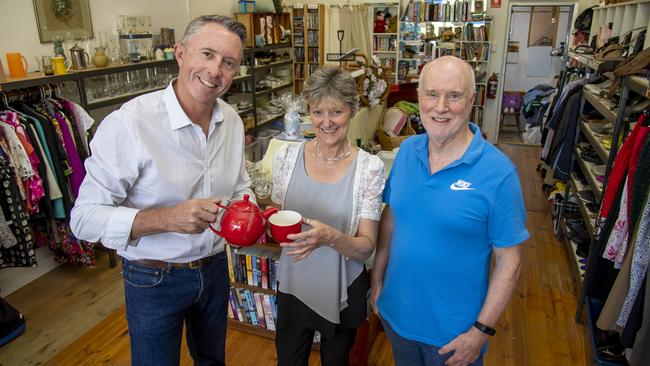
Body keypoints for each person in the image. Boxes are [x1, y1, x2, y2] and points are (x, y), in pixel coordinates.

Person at [70, 15, 252, 366]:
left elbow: (241, 186)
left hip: (214, 269)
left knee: (212, 360)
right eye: (207, 54)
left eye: (228, 62)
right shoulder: (130, 124)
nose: (215, 71)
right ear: (180, 54)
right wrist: (167, 218)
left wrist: (249, 213)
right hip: (154, 277)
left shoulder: (231, 120)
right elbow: (84, 219)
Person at [371, 56, 529, 366]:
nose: (440, 107)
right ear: (418, 98)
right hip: (396, 318)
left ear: (471, 101)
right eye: (432, 94)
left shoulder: (499, 173)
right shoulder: (406, 152)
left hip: (455, 337)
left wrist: (480, 331)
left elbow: (510, 263)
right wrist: (377, 280)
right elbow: (391, 217)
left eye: (453, 96)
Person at [271, 66, 386, 366]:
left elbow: (366, 247)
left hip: (343, 288)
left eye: (335, 112)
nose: (326, 122)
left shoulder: (370, 169)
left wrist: (330, 237)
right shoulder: (286, 156)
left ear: (352, 111)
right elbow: (278, 220)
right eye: (317, 112)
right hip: (294, 283)